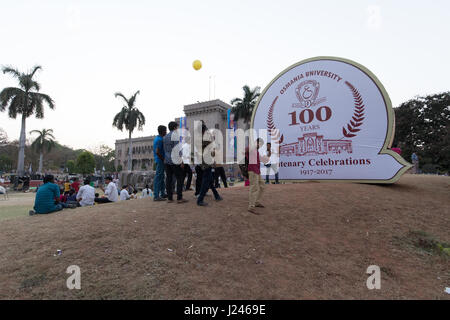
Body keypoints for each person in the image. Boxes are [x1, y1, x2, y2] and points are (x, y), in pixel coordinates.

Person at [197, 124, 222, 206]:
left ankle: (216, 195)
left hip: (204, 161)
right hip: (206, 162)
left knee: (210, 180)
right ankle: (200, 199)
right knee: (206, 181)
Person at [163, 121, 188, 204]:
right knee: (180, 178)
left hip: (167, 161)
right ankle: (179, 198)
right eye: (177, 127)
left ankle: (170, 198)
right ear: (174, 128)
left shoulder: (165, 137)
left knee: (169, 179)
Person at [247, 138, 269, 214]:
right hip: (253, 171)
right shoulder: (251, 148)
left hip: (257, 171)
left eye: (261, 144)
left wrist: (267, 156)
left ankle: (256, 202)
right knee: (254, 188)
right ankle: (251, 206)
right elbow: (246, 150)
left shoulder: (256, 151)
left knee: (262, 186)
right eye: (259, 143)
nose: (260, 145)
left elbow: (262, 160)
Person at [153, 125, 167, 201]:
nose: (166, 132)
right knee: (158, 177)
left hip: (159, 160)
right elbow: (157, 151)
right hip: (160, 160)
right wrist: (163, 159)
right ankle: (156, 195)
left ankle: (162, 193)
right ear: (162, 131)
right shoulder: (159, 140)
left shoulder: (158, 138)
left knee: (161, 177)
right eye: (165, 130)